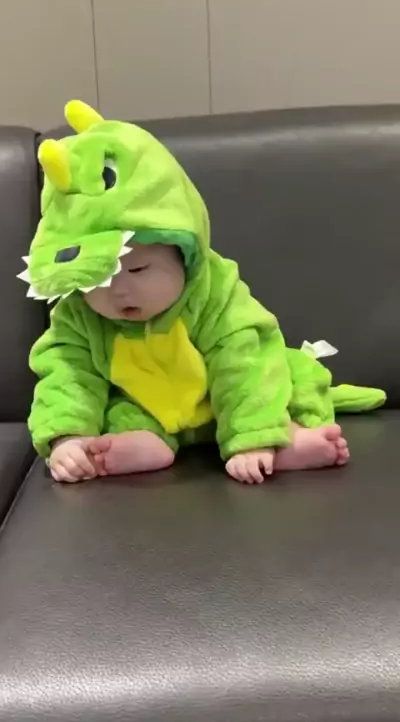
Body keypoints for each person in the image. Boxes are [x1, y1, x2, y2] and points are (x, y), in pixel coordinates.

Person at [23, 101, 385, 485]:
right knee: (120, 411)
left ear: (184, 252)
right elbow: (66, 374)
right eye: (98, 279)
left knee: (291, 375)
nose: (119, 290)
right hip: (150, 407)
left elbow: (243, 360)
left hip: (224, 401)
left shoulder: (214, 293)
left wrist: (252, 437)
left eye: (139, 269)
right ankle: (138, 444)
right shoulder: (78, 313)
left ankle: (288, 437)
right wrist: (68, 438)